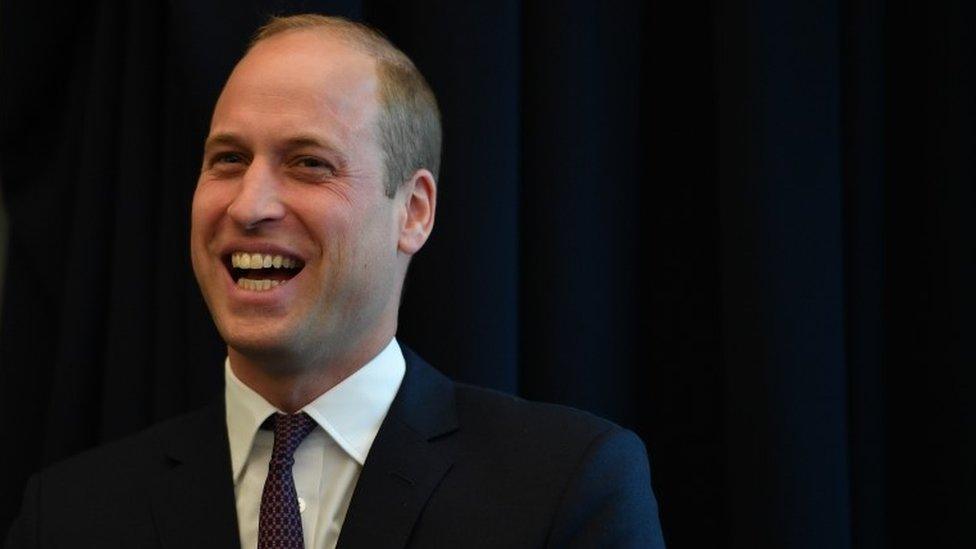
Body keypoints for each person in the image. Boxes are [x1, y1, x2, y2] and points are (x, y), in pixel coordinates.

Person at [5, 14, 665, 549]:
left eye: (307, 163)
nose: (248, 205)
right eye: (228, 159)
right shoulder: (66, 515)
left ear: (413, 211)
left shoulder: (565, 487)